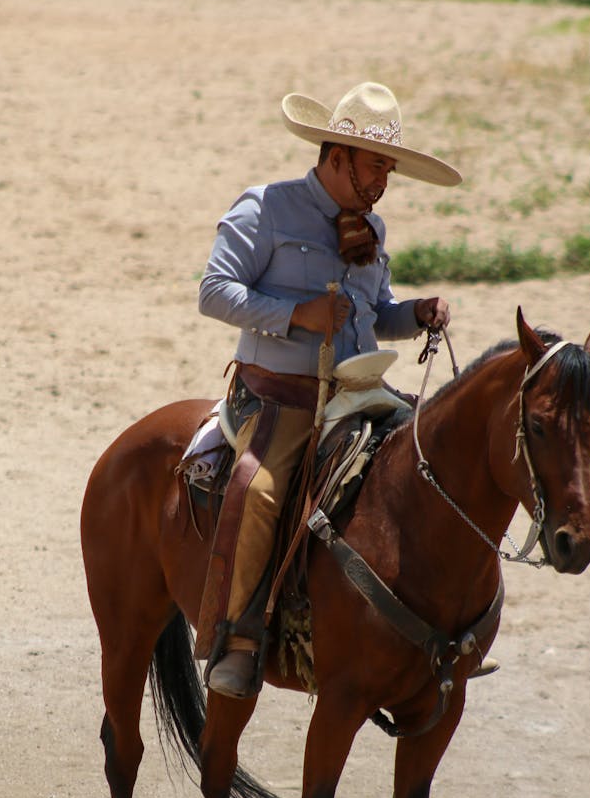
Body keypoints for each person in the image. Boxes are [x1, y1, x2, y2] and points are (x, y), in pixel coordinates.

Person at [196, 81, 462, 699]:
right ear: (337, 154)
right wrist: (296, 315)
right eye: (376, 165)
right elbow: (213, 292)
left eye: (390, 168)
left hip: (359, 390)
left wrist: (415, 311)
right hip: (277, 396)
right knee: (260, 491)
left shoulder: (374, 229)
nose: (384, 181)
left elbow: (374, 313)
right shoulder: (264, 208)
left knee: (431, 464)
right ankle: (236, 638)